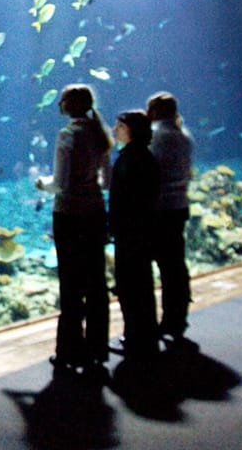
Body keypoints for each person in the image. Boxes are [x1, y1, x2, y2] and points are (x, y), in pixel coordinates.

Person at [35, 84, 113, 379]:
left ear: (70, 104)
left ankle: (69, 349)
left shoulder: (68, 135)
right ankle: (97, 349)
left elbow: (60, 184)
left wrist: (42, 184)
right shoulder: (100, 133)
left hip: (69, 214)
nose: (59, 102)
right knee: (96, 282)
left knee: (70, 283)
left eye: (63, 98)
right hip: (95, 213)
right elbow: (106, 182)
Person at [108, 110, 160, 361]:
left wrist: (114, 226)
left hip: (130, 233)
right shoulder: (143, 156)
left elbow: (125, 199)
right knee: (141, 285)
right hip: (142, 230)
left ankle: (135, 338)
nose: (114, 129)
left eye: (119, 126)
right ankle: (145, 336)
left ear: (131, 130)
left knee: (131, 287)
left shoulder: (131, 158)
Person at [146, 91, 196, 345]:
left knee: (156, 267)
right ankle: (177, 319)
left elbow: (147, 174)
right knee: (175, 265)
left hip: (158, 210)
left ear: (153, 111)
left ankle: (156, 323)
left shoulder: (155, 137)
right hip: (179, 206)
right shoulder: (184, 136)